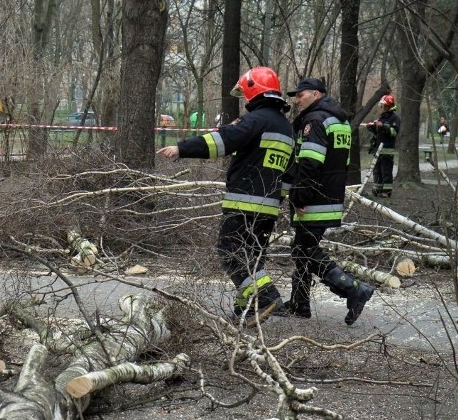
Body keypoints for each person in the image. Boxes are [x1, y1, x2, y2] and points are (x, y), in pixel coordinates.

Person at [157, 66, 293, 325]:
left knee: (230, 251)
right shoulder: (286, 128)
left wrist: (182, 148)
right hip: (269, 207)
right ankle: (247, 311)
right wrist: (278, 199)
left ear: (255, 90)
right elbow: (290, 173)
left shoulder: (255, 120)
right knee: (252, 259)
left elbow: (222, 142)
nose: (245, 99)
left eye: (246, 93)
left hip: (244, 202)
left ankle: (267, 297)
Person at [275, 77, 374, 325]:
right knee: (302, 250)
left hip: (313, 198)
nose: (297, 100)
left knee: (306, 251)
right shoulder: (338, 119)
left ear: (316, 94)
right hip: (330, 196)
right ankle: (300, 304)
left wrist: (299, 196)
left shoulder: (315, 121)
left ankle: (354, 289)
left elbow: (309, 163)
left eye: (301, 95)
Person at [365, 95, 400, 197]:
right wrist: (371, 127)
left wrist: (383, 126)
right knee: (377, 171)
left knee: (386, 171)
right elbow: (377, 132)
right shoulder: (382, 117)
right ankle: (377, 190)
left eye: (384, 105)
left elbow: (394, 132)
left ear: (389, 106)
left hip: (387, 149)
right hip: (378, 149)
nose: (382, 107)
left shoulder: (394, 118)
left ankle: (386, 192)